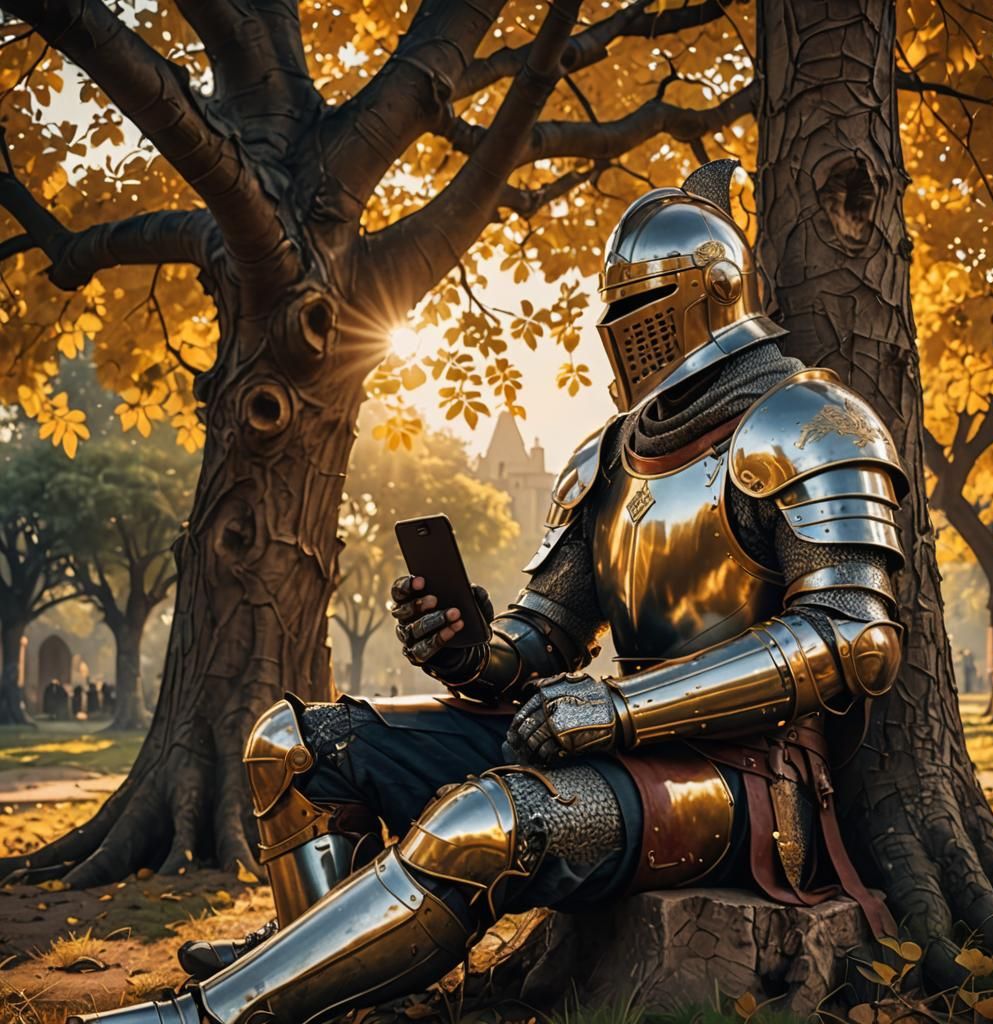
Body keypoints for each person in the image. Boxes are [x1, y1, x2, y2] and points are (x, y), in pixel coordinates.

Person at [70, 160, 907, 1024]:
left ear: (707, 296)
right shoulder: (606, 457)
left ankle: (216, 1016)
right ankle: (321, 980)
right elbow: (544, 636)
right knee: (296, 744)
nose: (621, 329)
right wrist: (474, 651)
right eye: (613, 310)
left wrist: (622, 713)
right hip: (607, 740)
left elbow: (852, 638)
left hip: (744, 782)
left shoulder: (811, 422)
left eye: (637, 307)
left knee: (484, 823)